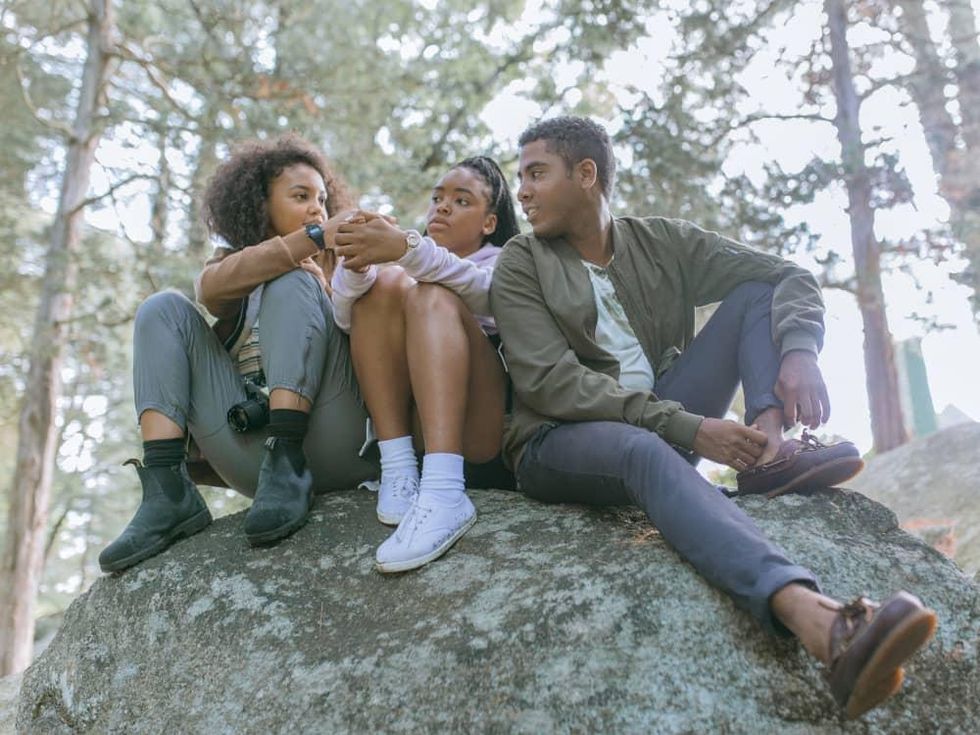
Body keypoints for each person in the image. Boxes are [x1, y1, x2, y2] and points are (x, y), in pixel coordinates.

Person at [489, 116, 937, 719]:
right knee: (639, 449)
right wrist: (690, 428)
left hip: (662, 412)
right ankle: (817, 620)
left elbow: (785, 275)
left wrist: (800, 349)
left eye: (536, 174)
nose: (523, 190)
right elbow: (549, 383)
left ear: (586, 175)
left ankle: (769, 450)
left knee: (753, 295)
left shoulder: (661, 242)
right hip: (557, 441)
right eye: (521, 178)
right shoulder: (521, 260)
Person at [99, 135, 377, 573]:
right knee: (161, 309)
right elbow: (209, 291)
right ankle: (168, 492)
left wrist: (321, 254)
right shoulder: (231, 266)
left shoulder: (343, 263)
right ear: (260, 204)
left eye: (323, 200)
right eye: (301, 196)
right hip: (254, 466)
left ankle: (289, 453)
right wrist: (309, 239)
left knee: (294, 281)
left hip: (336, 438)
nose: (317, 209)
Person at [329, 156, 519, 573]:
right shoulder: (400, 265)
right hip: (414, 436)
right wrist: (358, 268)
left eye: (461, 200)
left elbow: (490, 296)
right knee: (388, 284)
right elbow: (344, 318)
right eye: (437, 198)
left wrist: (408, 249)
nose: (442, 207)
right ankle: (397, 470)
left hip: (478, 433)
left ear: (489, 222)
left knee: (432, 293)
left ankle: (445, 491)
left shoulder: (506, 259)